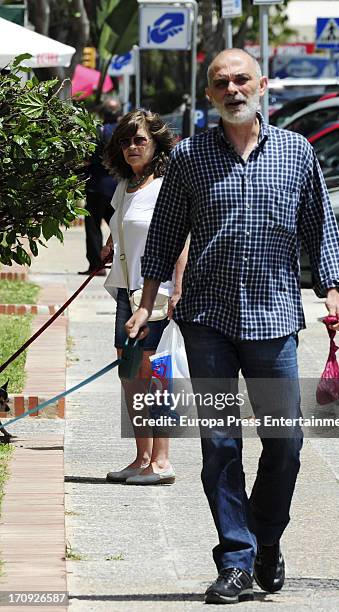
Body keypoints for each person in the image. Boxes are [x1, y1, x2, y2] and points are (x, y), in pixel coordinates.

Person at [124, 49, 339, 602]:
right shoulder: (189, 157)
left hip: (274, 320)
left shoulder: (297, 152)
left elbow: (319, 228)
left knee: (286, 442)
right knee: (220, 443)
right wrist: (146, 301)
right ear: (209, 94)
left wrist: (333, 293)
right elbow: (164, 237)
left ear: (263, 85)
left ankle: (265, 542)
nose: (232, 89)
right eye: (221, 82)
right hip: (207, 320)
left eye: (241, 79)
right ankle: (235, 557)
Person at [102, 109, 188, 485]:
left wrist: (179, 289)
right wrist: (110, 244)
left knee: (156, 376)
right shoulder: (127, 186)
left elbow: (181, 241)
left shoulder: (166, 185)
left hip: (157, 291)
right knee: (130, 375)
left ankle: (162, 460)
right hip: (126, 290)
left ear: (156, 143)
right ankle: (141, 458)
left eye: (139, 140)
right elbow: (123, 226)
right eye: (125, 141)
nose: (132, 147)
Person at [79, 97, 122, 276]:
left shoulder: (98, 132)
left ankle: (97, 265)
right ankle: (120, 262)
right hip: (118, 187)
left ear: (103, 113)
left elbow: (89, 157)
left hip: (97, 186)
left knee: (93, 226)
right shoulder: (123, 133)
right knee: (119, 226)